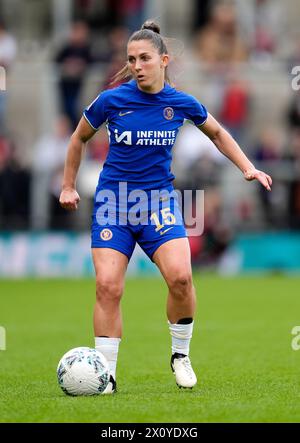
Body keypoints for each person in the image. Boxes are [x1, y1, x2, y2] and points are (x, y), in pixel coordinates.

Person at [59, 20, 272, 394]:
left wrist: (248, 167)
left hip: (159, 203)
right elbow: (78, 138)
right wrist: (68, 186)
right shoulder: (111, 101)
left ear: (163, 60)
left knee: (181, 278)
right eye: (131, 59)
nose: (137, 65)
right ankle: (105, 374)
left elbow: (219, 133)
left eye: (144, 58)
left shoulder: (180, 102)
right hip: (115, 203)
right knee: (108, 286)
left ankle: (180, 355)